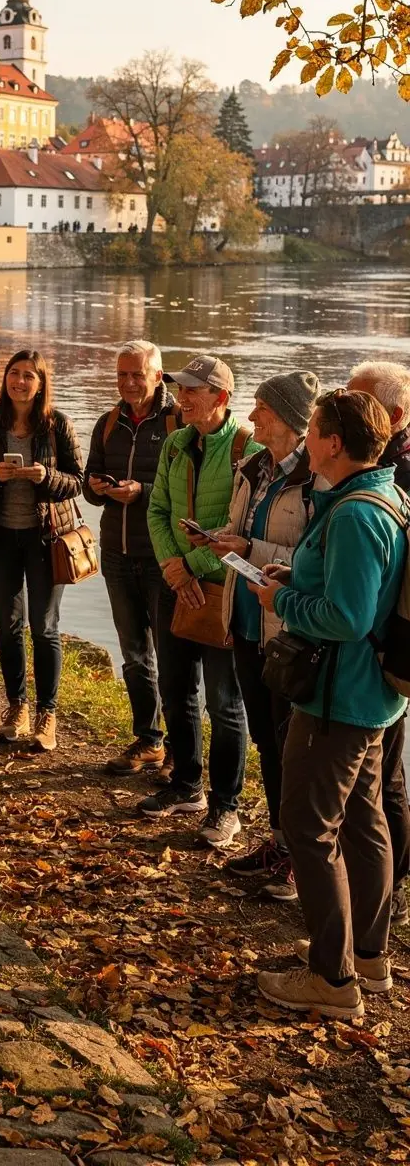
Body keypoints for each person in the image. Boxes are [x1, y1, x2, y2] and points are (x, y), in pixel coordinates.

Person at [252, 389, 407, 1021]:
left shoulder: (352, 515)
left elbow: (345, 617)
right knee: (366, 822)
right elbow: (351, 590)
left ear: (333, 442)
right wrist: (298, 579)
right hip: (374, 698)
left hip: (337, 697)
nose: (307, 442)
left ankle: (332, 979)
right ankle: (369, 957)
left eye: (313, 432)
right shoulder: (387, 496)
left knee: (308, 829)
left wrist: (280, 603)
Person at [209, 371, 320, 898]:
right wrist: (224, 543)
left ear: (292, 421)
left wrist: (250, 550)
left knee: (290, 746)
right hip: (247, 620)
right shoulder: (254, 465)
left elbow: (313, 563)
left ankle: (300, 858)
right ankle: (279, 842)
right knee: (265, 741)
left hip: (289, 630)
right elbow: (245, 537)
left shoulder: (318, 479)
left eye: (263, 410)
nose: (252, 419)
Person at [144, 355, 259, 847]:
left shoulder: (248, 450)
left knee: (225, 703)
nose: (181, 396)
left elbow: (245, 533)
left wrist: (194, 568)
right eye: (179, 388)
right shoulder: (174, 443)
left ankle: (225, 807)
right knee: (175, 687)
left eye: (192, 389)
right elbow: (157, 510)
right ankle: (186, 784)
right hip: (176, 586)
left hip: (224, 592)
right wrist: (174, 568)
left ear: (221, 398)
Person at [0, 349, 83, 752]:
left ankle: (47, 713)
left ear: (40, 382)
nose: (20, 381)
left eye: (28, 376)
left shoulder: (56, 425)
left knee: (44, 627)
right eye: (14, 374)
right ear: (5, 379)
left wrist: (46, 477)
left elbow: (77, 481)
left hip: (45, 539)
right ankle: (17, 707)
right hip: (0, 539)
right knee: (8, 624)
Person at [83, 340, 178, 777]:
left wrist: (141, 492)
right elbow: (87, 484)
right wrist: (97, 488)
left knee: (173, 656)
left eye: (137, 374)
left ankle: (181, 746)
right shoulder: (108, 422)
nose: (128, 382)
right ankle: (148, 739)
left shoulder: (178, 422)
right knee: (134, 653)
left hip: (163, 556)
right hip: (117, 553)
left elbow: (188, 495)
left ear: (157, 376)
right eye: (122, 374)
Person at [347, 360, 410, 927]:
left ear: (391, 417)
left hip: (384, 655)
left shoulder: (396, 475)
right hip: (376, 652)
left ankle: (385, 900)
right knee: (376, 781)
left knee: (384, 780)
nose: (347, 406)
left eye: (357, 400)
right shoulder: (381, 468)